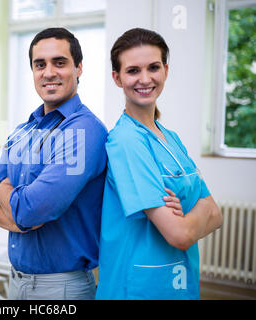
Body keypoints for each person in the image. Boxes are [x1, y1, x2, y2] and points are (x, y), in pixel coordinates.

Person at [0, 27, 108, 300]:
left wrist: (6, 194)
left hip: (60, 289)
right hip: (16, 281)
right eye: (40, 64)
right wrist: (19, 220)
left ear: (79, 68)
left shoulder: (84, 131)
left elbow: (30, 210)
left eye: (59, 63)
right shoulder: (23, 130)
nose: (48, 72)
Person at [95, 28, 223, 300]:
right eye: (133, 71)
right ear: (117, 78)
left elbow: (216, 213)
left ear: (165, 70)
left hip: (177, 282)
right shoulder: (126, 141)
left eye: (153, 67)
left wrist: (191, 216)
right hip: (138, 286)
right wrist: (195, 211)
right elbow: (180, 234)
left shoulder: (170, 138)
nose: (145, 79)